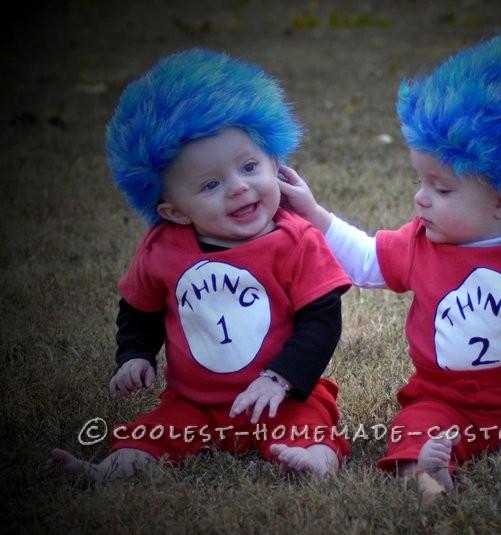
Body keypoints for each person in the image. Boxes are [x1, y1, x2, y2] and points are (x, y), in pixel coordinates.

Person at [281, 33, 501, 502]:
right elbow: (362, 259)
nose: (420, 197)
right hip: (446, 405)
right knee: (411, 426)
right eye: (421, 181)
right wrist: (315, 215)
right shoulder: (423, 241)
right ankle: (424, 473)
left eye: (441, 189)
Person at [49, 48, 351, 485]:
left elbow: (322, 321)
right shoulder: (163, 249)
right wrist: (134, 354)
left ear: (276, 164)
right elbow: (141, 308)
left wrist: (280, 380)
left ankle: (317, 463)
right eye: (211, 184)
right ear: (175, 212)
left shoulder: (296, 241)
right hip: (193, 403)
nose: (239, 187)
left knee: (309, 428)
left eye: (249, 166)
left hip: (282, 398)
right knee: (149, 436)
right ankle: (104, 473)